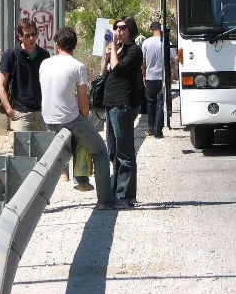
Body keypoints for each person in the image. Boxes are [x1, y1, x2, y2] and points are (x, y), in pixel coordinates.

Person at [40, 27, 117, 209]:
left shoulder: (44, 64)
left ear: (57, 45)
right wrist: (84, 120)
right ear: (74, 45)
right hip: (69, 118)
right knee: (99, 151)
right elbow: (83, 103)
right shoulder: (78, 66)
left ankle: (77, 178)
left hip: (47, 118)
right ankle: (105, 200)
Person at [102, 16, 143, 208]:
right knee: (112, 150)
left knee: (124, 152)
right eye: (116, 27)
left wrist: (114, 48)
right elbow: (105, 72)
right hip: (110, 104)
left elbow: (118, 68)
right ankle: (116, 190)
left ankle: (126, 195)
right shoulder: (117, 50)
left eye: (122, 27)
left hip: (123, 103)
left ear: (130, 30)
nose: (118, 30)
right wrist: (107, 54)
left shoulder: (134, 50)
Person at [0, 18, 50, 133]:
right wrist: (9, 109)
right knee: (23, 150)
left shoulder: (44, 55)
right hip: (20, 113)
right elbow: (1, 84)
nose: (31, 38)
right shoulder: (11, 55)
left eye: (34, 34)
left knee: (44, 150)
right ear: (20, 37)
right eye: (27, 35)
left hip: (41, 112)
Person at [141, 21, 177, 139]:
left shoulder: (146, 42)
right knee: (160, 104)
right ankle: (158, 130)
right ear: (161, 30)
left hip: (150, 77)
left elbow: (143, 62)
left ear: (152, 30)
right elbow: (172, 60)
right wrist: (174, 73)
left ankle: (151, 128)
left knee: (150, 103)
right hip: (163, 78)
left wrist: (143, 75)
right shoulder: (167, 42)